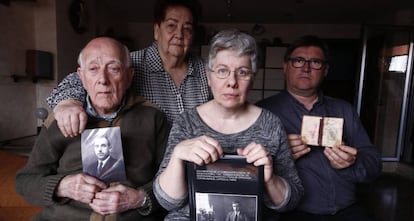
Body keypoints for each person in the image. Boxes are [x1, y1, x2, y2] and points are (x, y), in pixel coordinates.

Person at [153, 29, 303, 221]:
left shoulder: (271, 124)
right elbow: (167, 202)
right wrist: (178, 156)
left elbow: (292, 200)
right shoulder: (187, 122)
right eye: (222, 71)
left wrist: (269, 178)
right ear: (209, 76)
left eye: (242, 72)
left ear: (253, 79)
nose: (232, 82)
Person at [15, 37, 171, 221]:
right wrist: (63, 186)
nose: (103, 80)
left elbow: (172, 181)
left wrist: (139, 198)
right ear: (81, 76)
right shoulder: (60, 120)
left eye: (113, 69)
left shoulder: (153, 117)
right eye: (93, 69)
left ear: (129, 76)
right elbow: (25, 181)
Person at [256, 35, 382, 221]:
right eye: (298, 61)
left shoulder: (344, 109)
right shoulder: (262, 112)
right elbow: (246, 172)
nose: (306, 68)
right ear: (285, 66)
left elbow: (374, 164)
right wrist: (279, 156)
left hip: (348, 210)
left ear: (325, 70)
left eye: (315, 62)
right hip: (292, 213)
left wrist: (352, 163)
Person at [47, 0, 210, 137]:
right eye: (171, 26)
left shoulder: (206, 71)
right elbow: (81, 77)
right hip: (149, 167)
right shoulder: (131, 63)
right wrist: (68, 103)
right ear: (156, 30)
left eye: (187, 28)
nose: (179, 34)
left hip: (197, 163)